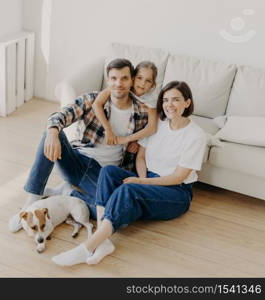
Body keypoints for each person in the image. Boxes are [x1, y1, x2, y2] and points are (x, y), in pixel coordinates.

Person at [51, 81, 207, 266]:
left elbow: (178, 177)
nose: (169, 105)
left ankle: (87, 247)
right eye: (165, 100)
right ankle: (104, 240)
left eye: (176, 100)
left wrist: (141, 183)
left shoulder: (196, 135)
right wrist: (142, 179)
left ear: (187, 103)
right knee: (108, 172)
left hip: (176, 192)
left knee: (128, 191)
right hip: (148, 178)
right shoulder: (158, 123)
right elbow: (141, 157)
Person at [8, 58, 157, 232]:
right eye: (114, 78)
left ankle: (67, 193)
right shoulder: (92, 99)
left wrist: (137, 144)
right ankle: (32, 199)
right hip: (78, 162)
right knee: (50, 132)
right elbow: (60, 116)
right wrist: (53, 132)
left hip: (103, 175)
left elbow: (150, 135)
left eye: (124, 78)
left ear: (131, 80)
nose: (119, 83)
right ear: (107, 80)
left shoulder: (142, 111)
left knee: (119, 220)